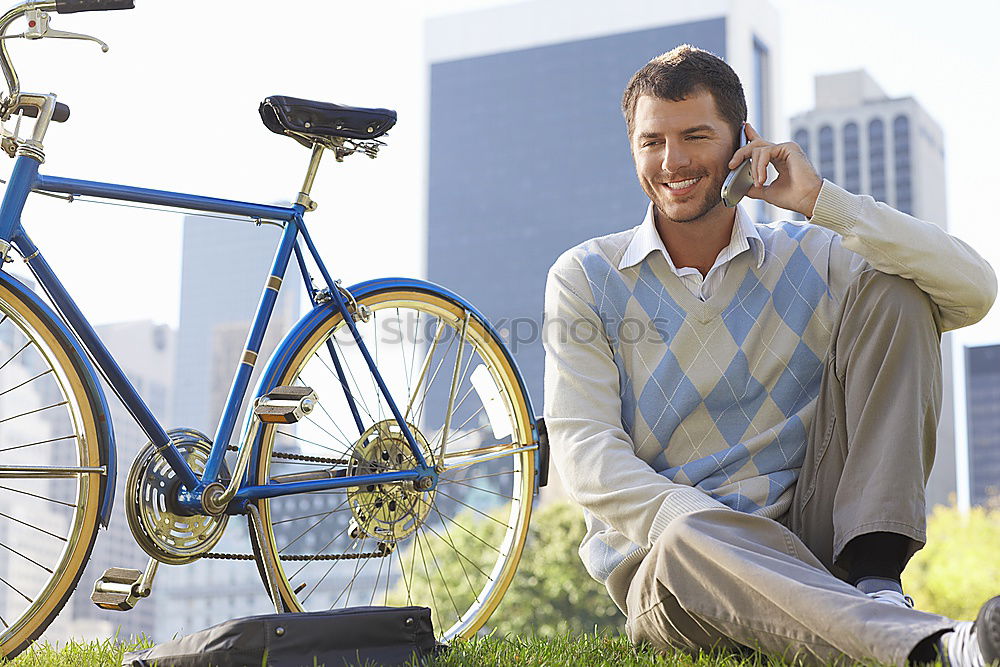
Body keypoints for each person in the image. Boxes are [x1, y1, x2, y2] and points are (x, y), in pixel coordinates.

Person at [542, 44, 999, 666]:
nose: (672, 161)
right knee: (686, 536)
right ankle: (928, 650)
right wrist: (711, 526)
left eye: (696, 136)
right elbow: (585, 454)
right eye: (652, 141)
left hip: (814, 536)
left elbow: (973, 291)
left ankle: (876, 583)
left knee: (899, 290)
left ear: (743, 142)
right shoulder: (586, 275)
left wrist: (823, 203)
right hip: (677, 567)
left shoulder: (812, 254)